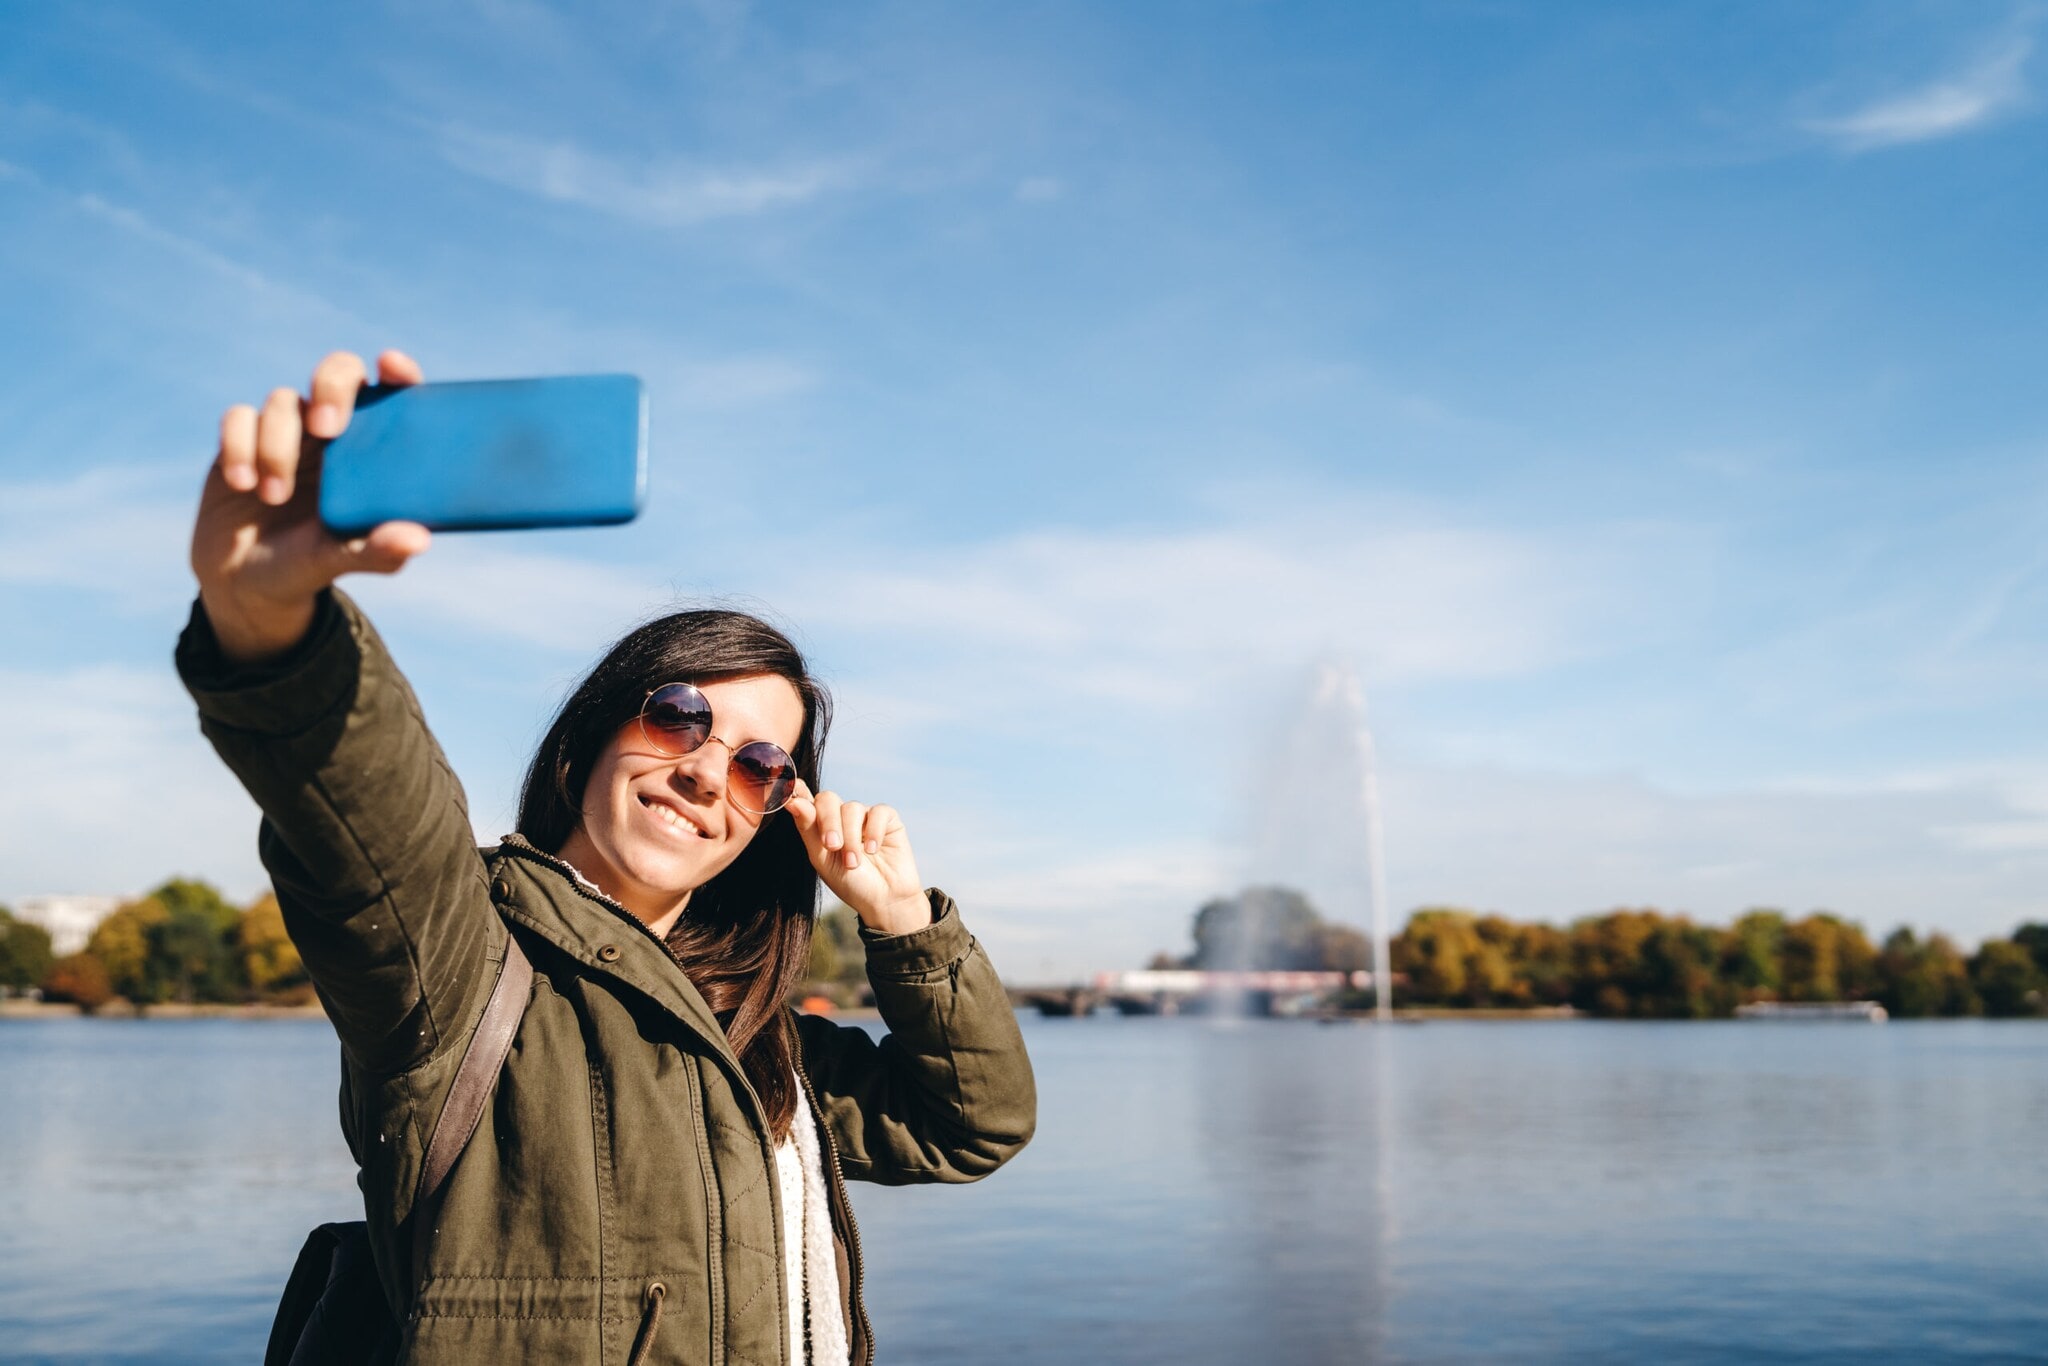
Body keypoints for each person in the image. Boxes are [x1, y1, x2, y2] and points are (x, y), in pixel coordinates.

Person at [177, 350, 1037, 1365]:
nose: (708, 774)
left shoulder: (762, 1045)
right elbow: (372, 808)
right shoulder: (461, 964)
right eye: (678, 717)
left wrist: (904, 924)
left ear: (774, 812)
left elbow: (967, 1123)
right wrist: (272, 624)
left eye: (760, 762)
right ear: (589, 737)